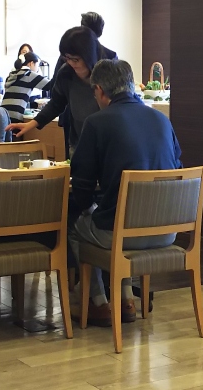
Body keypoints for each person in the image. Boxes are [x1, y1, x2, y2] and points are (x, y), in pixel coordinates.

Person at [68, 60, 181, 327]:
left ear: (99, 90)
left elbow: (81, 185)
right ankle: (126, 299)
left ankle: (98, 302)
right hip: (168, 231)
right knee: (118, 218)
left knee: (74, 224)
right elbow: (177, 169)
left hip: (121, 234)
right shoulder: (161, 120)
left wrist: (84, 209)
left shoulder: (97, 122)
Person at [7, 26, 114, 157]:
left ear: (88, 56)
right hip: (78, 144)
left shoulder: (109, 72)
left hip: (107, 144)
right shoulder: (66, 72)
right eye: (67, 58)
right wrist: (31, 124)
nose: (71, 63)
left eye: (75, 59)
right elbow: (56, 103)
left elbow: (122, 107)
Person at [1, 52, 51, 122]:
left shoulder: (12, 75)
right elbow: (51, 85)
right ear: (31, 63)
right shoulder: (29, 74)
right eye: (38, 65)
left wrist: (35, 105)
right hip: (15, 116)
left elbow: (15, 99)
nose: (38, 69)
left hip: (2, 115)